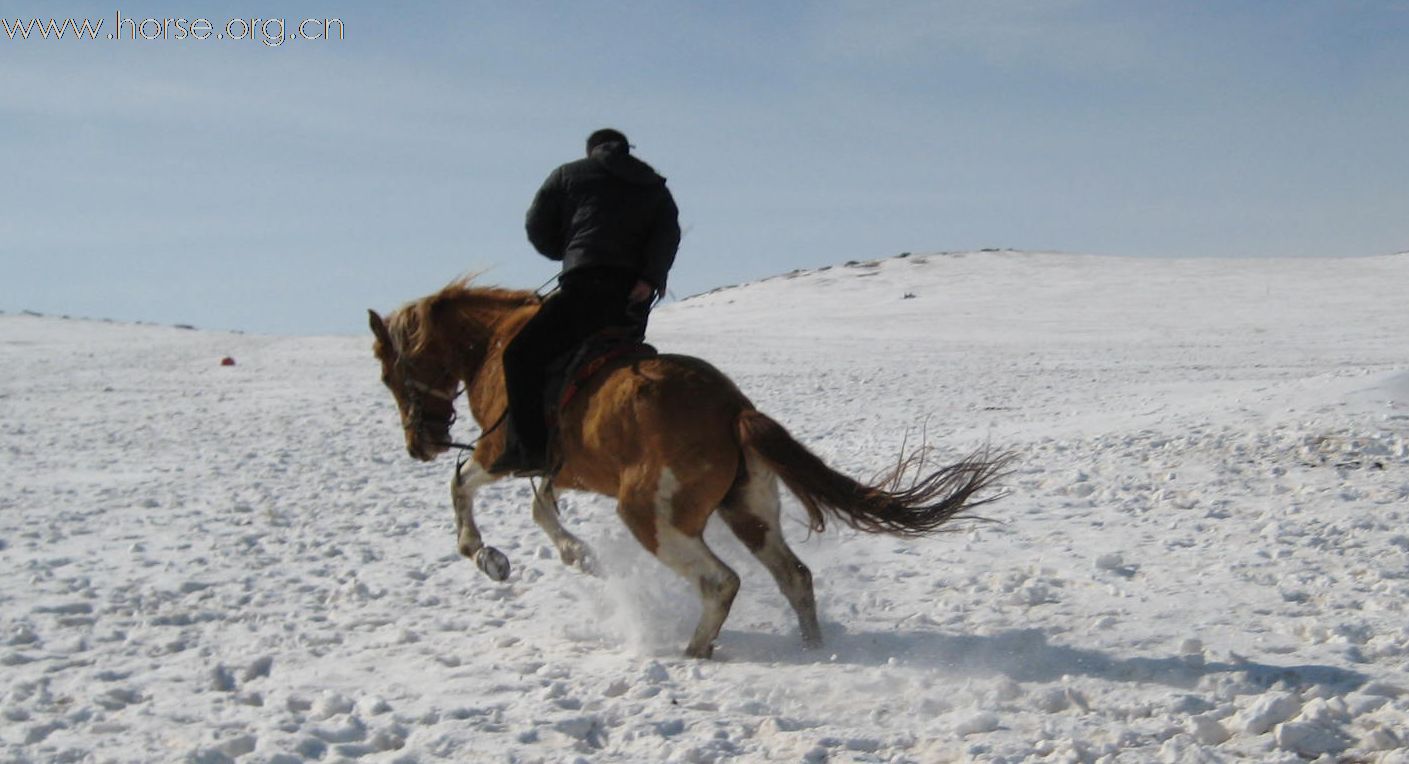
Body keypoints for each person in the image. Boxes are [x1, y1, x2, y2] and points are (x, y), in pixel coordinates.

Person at [490, 128, 682, 476]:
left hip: (585, 284)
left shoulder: (568, 174)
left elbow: (537, 226)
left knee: (521, 356)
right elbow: (668, 234)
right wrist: (649, 278)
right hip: (632, 298)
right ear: (627, 150)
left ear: (591, 150)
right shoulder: (654, 185)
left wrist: (567, 250)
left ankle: (532, 450)